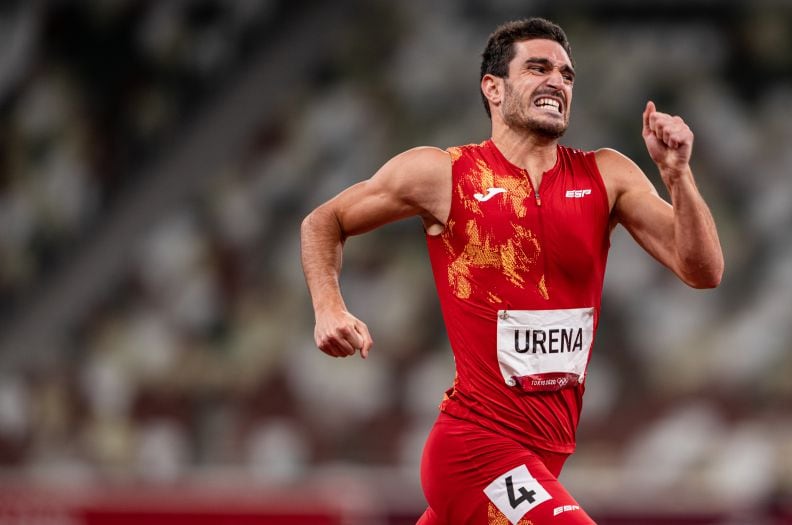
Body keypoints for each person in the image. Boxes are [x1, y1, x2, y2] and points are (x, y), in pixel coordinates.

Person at [300, 17, 723, 525]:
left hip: (544, 454)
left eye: (567, 75)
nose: (557, 83)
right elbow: (324, 221)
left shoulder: (606, 175)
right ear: (493, 89)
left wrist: (678, 176)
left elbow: (702, 270)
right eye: (539, 68)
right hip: (475, 449)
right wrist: (329, 308)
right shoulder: (443, 173)